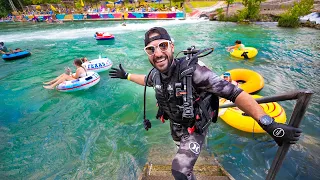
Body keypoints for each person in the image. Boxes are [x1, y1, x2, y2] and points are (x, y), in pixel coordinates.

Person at [109, 27, 302, 180]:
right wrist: (126, 76)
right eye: (150, 49)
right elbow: (145, 79)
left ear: (172, 47)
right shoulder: (156, 75)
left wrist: (269, 124)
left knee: (179, 170)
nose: (157, 53)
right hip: (176, 127)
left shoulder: (194, 72)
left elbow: (235, 93)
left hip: (195, 128)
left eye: (163, 46)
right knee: (182, 160)